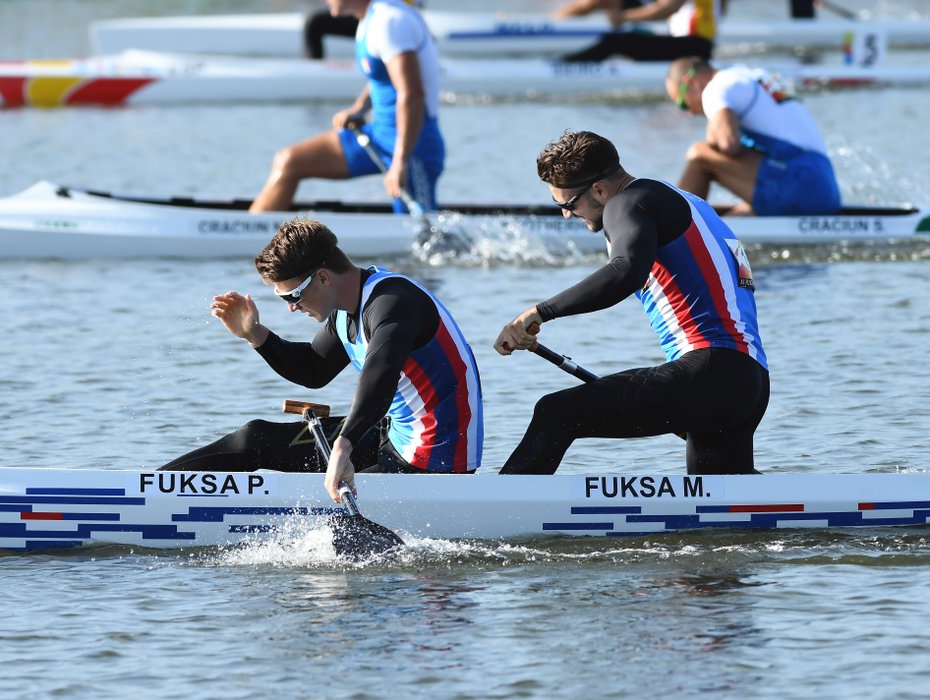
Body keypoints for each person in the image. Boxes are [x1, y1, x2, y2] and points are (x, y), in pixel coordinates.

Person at [494, 130, 769, 476]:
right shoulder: (687, 201)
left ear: (599, 189)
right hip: (749, 380)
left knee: (556, 413)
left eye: (569, 204)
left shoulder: (626, 203)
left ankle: (497, 518)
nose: (567, 216)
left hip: (710, 370)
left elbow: (625, 271)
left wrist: (539, 312)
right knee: (724, 512)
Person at [159, 218, 483, 502]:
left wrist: (343, 445)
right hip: (396, 433)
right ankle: (149, 490)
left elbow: (379, 379)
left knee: (320, 501)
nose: (290, 307)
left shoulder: (393, 304)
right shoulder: (346, 308)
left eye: (293, 296)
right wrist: (254, 334)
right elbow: (314, 369)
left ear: (324, 278)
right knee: (253, 438)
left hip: (436, 460)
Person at [250, 0, 445, 215]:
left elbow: (412, 94)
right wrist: (359, 108)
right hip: (379, 136)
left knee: (421, 236)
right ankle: (254, 237)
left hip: (413, 147)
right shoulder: (368, 20)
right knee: (289, 161)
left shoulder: (390, 21)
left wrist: (400, 161)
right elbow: (381, 76)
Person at [665, 56, 841, 216]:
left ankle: (673, 231)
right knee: (736, 216)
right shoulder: (754, 75)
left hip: (800, 185)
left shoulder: (716, 88)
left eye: (683, 104)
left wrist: (712, 134)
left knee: (699, 154)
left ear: (692, 83)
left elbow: (728, 145)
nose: (689, 114)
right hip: (826, 189)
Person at [554, 0, 723, 63]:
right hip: (696, 44)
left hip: (691, 47)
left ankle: (562, 65)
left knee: (616, 41)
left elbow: (667, 8)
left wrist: (624, 17)